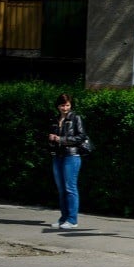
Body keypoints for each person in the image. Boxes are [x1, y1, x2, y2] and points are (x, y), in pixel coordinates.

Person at [48, 93, 86, 229]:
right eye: (63, 105)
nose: (65, 108)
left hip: (72, 156)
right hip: (57, 156)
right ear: (58, 106)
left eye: (68, 105)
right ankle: (63, 218)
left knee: (70, 188)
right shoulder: (54, 119)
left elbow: (81, 137)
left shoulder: (76, 118)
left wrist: (61, 139)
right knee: (61, 189)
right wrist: (51, 138)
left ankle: (72, 220)